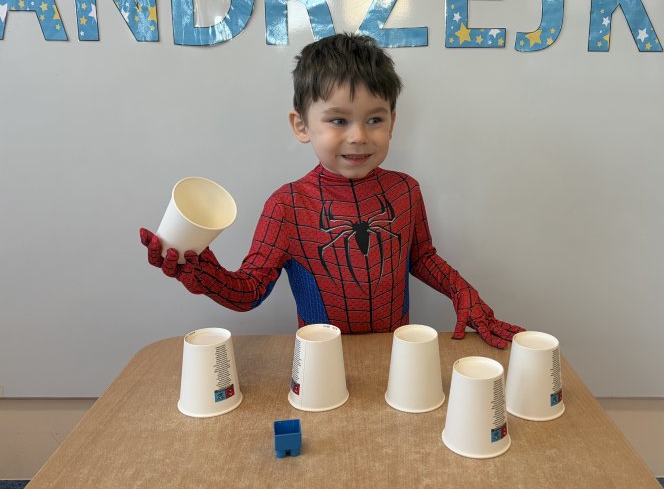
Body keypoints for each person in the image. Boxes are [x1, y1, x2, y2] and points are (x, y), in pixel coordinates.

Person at [140, 33, 523, 348]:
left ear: (392, 124)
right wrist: (201, 271)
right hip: (319, 362)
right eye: (338, 120)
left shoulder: (406, 191)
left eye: (375, 119)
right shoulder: (287, 206)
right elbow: (249, 291)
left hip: (396, 355)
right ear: (301, 126)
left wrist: (463, 293)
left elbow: (421, 257)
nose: (358, 136)